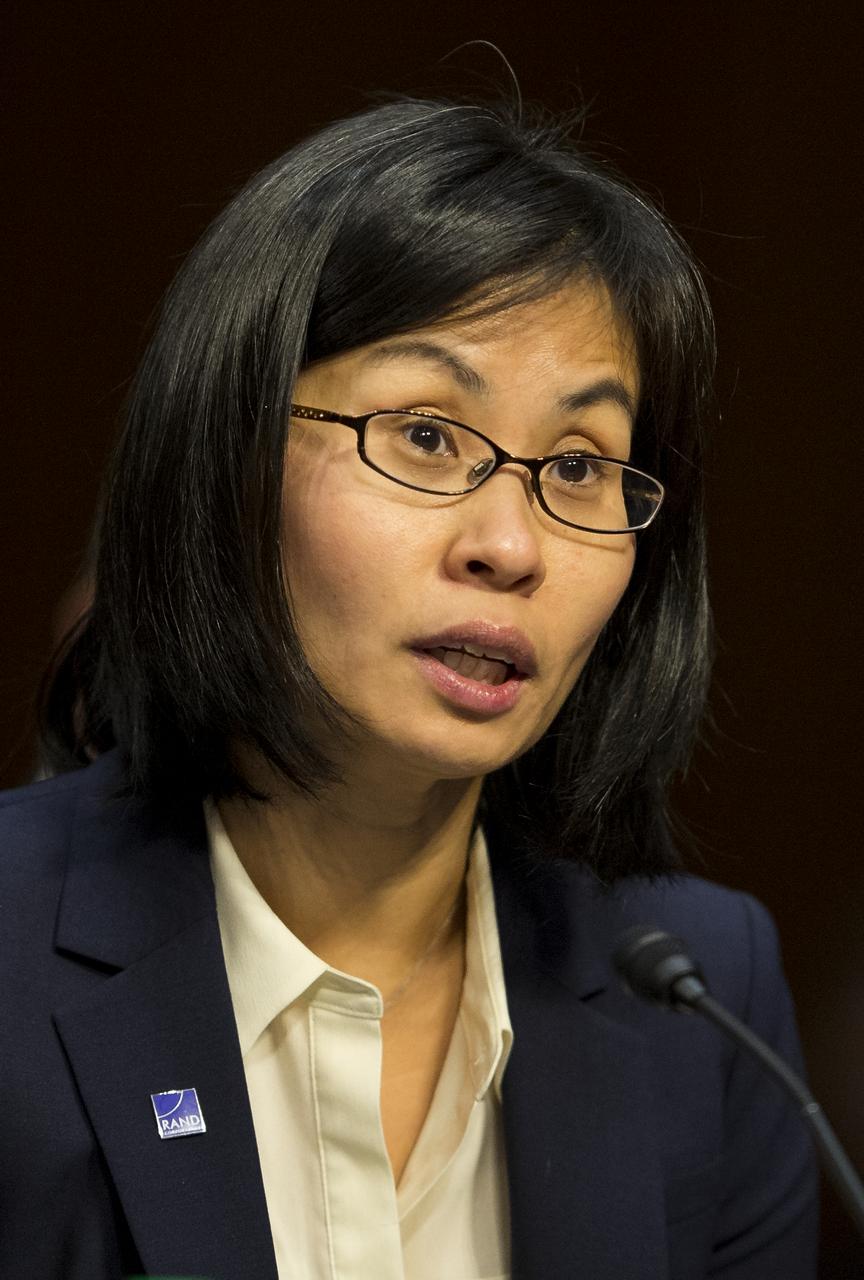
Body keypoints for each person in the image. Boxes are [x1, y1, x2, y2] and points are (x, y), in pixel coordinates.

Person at [0, 96, 817, 1279]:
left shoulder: (701, 997)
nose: (512, 543)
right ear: (226, 451)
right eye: (428, 435)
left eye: (581, 465)